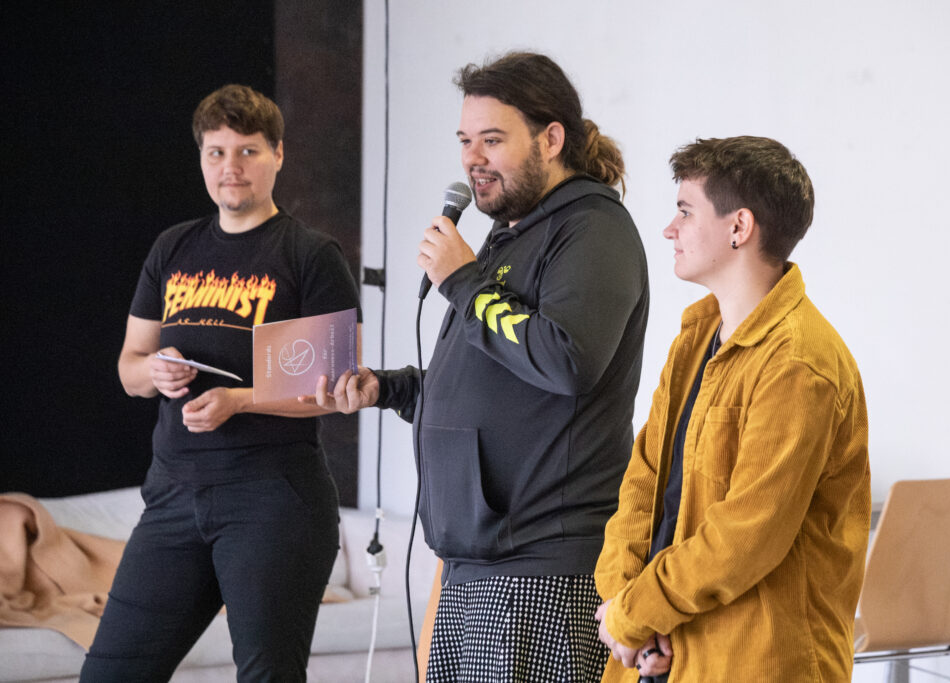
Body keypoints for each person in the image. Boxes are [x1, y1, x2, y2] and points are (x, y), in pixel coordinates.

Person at [312, 52, 649, 681]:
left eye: (492, 140)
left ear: (551, 139)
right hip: (475, 565)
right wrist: (387, 388)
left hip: (542, 568)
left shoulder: (592, 230)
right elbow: (484, 384)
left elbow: (565, 360)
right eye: (465, 141)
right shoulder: (506, 237)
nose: (473, 159)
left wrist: (463, 281)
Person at [81, 84, 361, 682]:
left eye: (248, 151)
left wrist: (239, 399)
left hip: (272, 501)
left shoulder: (309, 255)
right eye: (216, 152)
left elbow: (337, 386)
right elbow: (130, 367)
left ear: (278, 154)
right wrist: (155, 370)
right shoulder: (173, 247)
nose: (230, 167)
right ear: (202, 158)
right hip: (173, 496)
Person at [594, 136, 870, 683]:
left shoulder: (800, 362)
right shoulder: (696, 337)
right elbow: (642, 482)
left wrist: (637, 613)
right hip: (666, 653)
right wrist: (630, 608)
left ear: (739, 227)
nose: (669, 229)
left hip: (760, 664)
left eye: (685, 211)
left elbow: (745, 536)